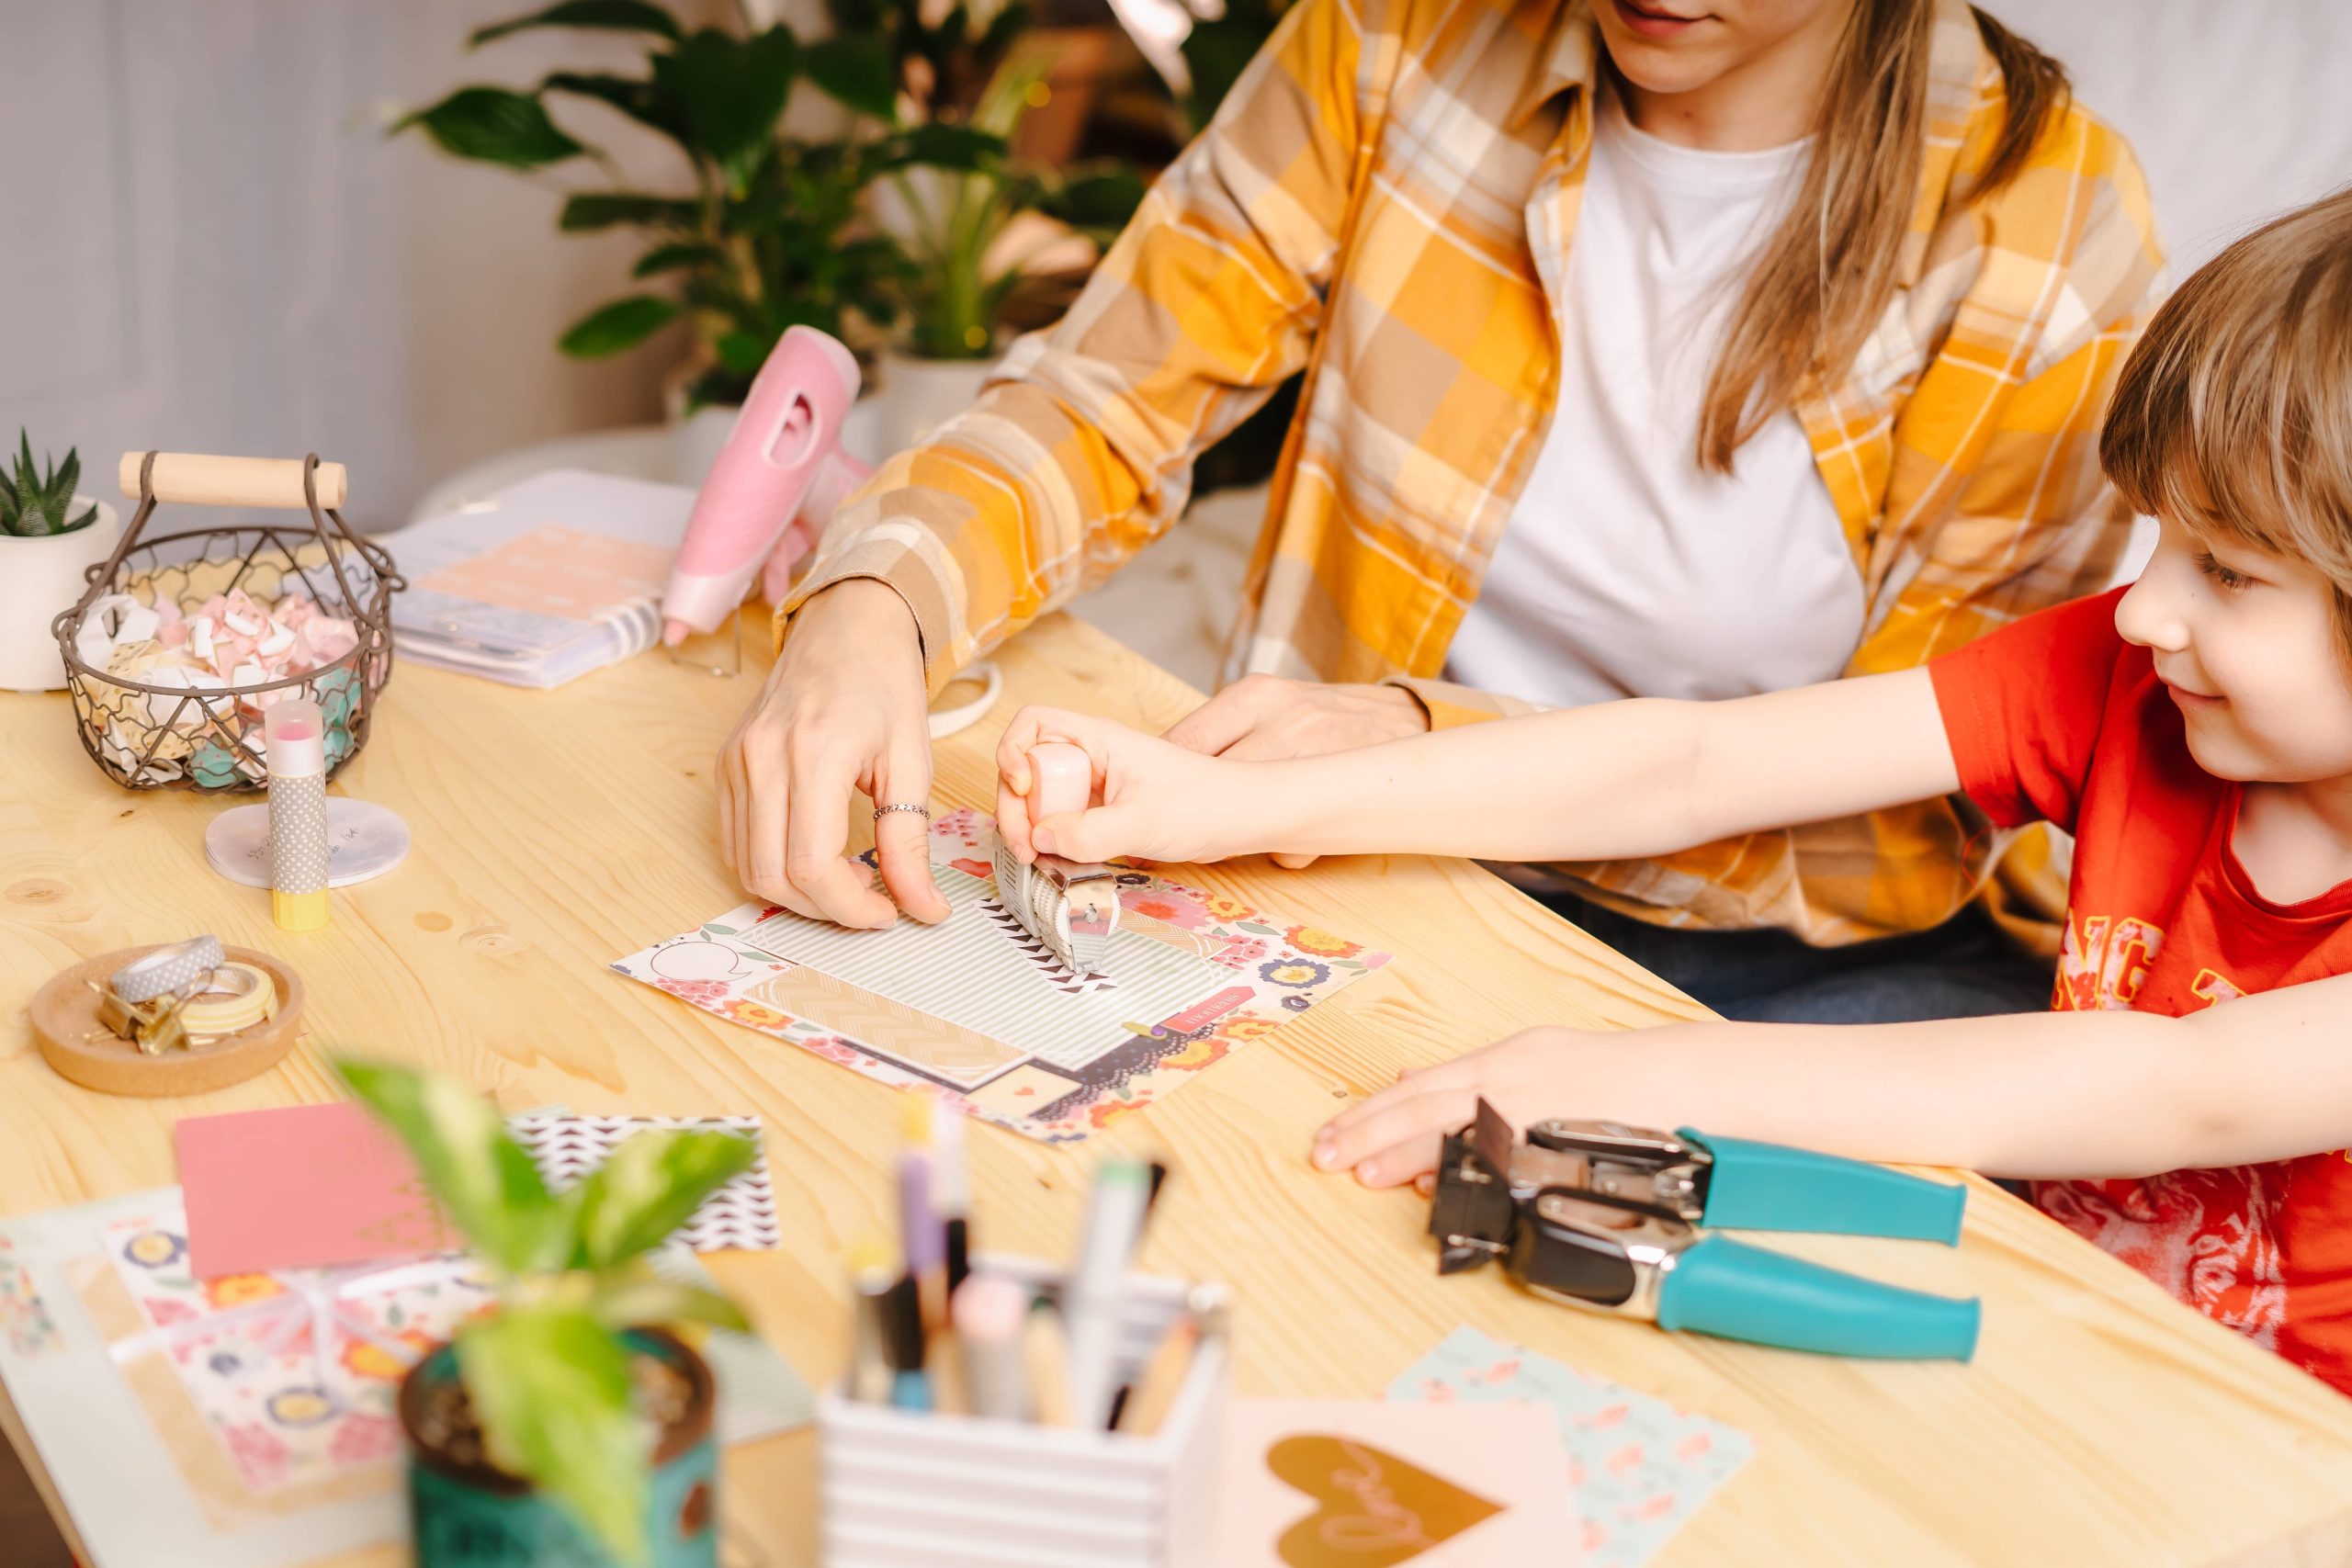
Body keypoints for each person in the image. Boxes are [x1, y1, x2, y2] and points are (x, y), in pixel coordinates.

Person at [989, 191, 2352, 1394]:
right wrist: (1234, 811)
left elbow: (2186, 1089)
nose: (2141, 613)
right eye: (2161, 542)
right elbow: (1697, 762)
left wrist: (1619, 1072)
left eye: (2228, 572)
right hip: (2066, 1345)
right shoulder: (2142, 677)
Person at [719, 0, 2162, 1022]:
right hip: (1345, 851)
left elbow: (1904, 812)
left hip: (1779, 953)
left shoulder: (2045, 225)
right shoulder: (1394, 31)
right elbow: (1113, 394)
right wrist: (874, 604)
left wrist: (1422, 741)